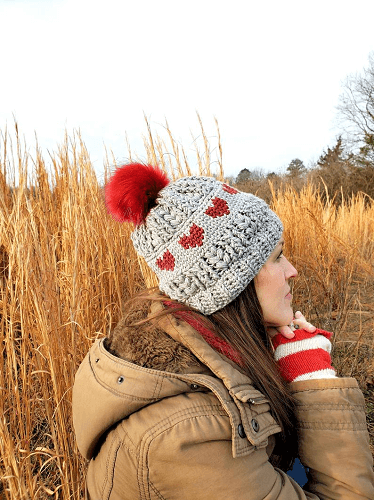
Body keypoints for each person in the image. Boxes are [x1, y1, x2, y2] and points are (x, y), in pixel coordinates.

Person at [72, 163, 374, 499]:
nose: (293, 271)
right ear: (232, 285)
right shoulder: (190, 434)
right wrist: (314, 379)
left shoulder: (215, 350)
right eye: (277, 257)